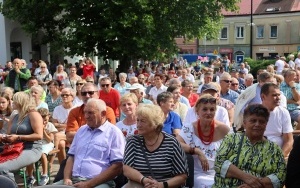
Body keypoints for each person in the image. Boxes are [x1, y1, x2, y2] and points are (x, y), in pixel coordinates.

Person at [53, 98, 125, 187]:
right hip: (73, 181)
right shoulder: (81, 130)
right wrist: (67, 178)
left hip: (100, 183)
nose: (86, 116)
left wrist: (88, 184)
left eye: (90, 113)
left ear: (103, 114)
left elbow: (117, 166)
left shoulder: (114, 133)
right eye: (85, 112)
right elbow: (71, 157)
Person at [213, 104, 286, 188]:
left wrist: (255, 185)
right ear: (244, 123)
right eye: (253, 120)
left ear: (266, 125)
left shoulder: (274, 149)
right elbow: (219, 163)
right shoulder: (231, 139)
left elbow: (281, 176)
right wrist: (246, 177)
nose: (257, 124)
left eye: (261, 121)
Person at [123, 104, 188, 187]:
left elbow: (182, 176)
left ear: (154, 124)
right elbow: (127, 168)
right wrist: (143, 179)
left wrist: (161, 185)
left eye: (142, 121)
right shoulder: (132, 141)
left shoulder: (171, 143)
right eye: (138, 120)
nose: (138, 125)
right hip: (138, 184)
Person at [177, 94, 229, 187]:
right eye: (204, 109)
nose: (208, 112)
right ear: (197, 111)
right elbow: (176, 144)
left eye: (212, 109)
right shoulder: (189, 128)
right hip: (196, 173)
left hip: (218, 173)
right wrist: (196, 151)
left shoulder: (223, 129)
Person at [0, 92, 43, 182]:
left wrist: (18, 137)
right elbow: (9, 135)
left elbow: (39, 135)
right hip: (14, 147)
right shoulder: (15, 116)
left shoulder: (34, 114)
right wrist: (4, 138)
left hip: (31, 149)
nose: (12, 102)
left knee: (2, 168)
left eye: (14, 101)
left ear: (21, 102)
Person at [261, 83, 293, 159]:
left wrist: (279, 158)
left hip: (278, 154)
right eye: (274, 95)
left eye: (279, 95)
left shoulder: (283, 112)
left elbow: (288, 140)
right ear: (263, 96)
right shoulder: (253, 112)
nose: (278, 98)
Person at [27, 108, 58, 186]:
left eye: (46, 120)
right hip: (37, 143)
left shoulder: (50, 125)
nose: (44, 122)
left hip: (47, 144)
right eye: (42, 120)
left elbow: (49, 140)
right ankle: (30, 176)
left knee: (42, 154)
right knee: (28, 155)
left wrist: (43, 131)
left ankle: (45, 174)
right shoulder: (34, 124)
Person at [51, 88, 76, 164]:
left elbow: (74, 126)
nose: (64, 96)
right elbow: (54, 124)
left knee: (58, 136)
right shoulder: (57, 109)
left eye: (67, 95)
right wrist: (64, 125)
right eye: (62, 95)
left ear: (72, 97)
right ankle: (63, 165)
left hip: (72, 133)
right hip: (61, 134)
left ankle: (53, 153)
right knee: (61, 144)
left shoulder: (76, 109)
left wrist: (60, 125)